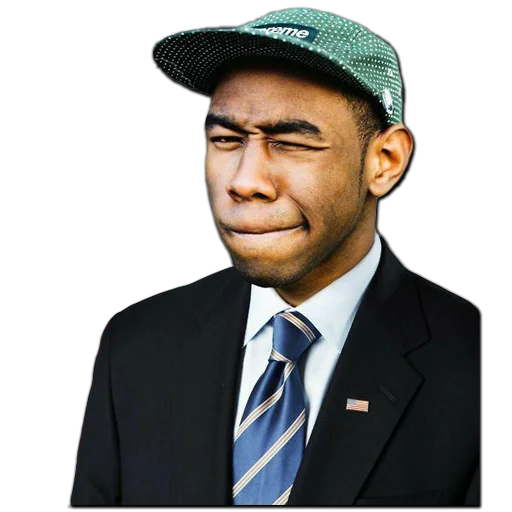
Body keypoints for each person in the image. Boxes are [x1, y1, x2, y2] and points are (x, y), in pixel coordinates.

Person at [69, 7, 479, 506]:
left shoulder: (481, 367)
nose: (244, 181)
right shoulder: (137, 345)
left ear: (385, 162)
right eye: (226, 140)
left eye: (289, 143)